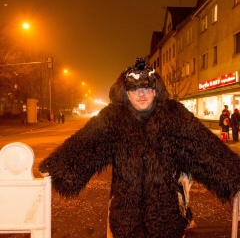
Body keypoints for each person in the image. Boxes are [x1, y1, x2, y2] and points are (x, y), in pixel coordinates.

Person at [39, 57, 240, 238]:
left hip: (165, 215)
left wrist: (234, 175)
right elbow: (85, 146)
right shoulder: (113, 119)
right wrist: (57, 167)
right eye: (135, 89)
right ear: (126, 92)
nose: (141, 94)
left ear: (155, 90)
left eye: (147, 88)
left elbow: (206, 150)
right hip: (125, 217)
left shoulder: (174, 117)